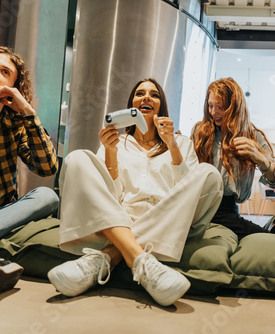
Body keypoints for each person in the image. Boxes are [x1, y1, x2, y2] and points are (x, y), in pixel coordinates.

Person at [48, 78, 223, 307]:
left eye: (154, 94)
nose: (147, 97)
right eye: (140, 93)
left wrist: (172, 145)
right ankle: (140, 260)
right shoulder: (116, 142)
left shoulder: (181, 143)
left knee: (209, 174)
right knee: (77, 158)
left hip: (166, 218)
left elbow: (185, 191)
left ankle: (108, 256)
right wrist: (111, 152)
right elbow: (110, 196)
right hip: (120, 215)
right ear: (131, 104)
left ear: (162, 106)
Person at [0, 46, 59, 303]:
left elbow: (47, 167)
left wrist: (28, 112)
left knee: (47, 196)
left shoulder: (15, 123)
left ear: (13, 87)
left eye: (4, 71)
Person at [191, 77, 275, 239]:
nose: (213, 112)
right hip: (196, 208)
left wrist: (259, 157)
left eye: (220, 107)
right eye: (210, 106)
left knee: (274, 241)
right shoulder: (200, 132)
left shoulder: (253, 136)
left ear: (234, 107)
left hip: (227, 211)